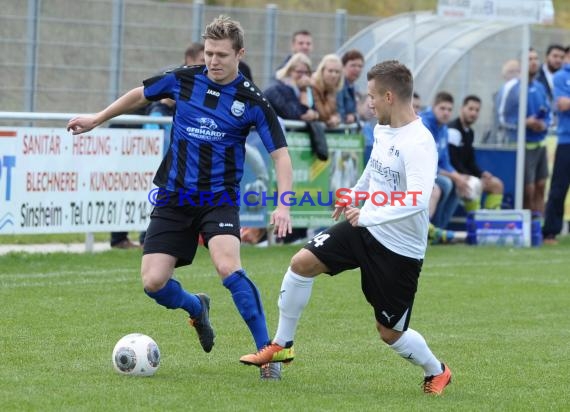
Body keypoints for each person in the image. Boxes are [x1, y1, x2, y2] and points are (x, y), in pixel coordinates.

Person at [67, 15, 293, 380]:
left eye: (221, 54)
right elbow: (141, 93)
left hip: (218, 199)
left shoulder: (253, 101)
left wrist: (283, 205)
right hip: (174, 197)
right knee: (153, 283)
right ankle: (196, 307)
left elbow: (281, 156)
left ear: (240, 54)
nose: (213, 61)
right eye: (209, 53)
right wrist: (99, 117)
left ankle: (268, 356)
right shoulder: (185, 78)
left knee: (227, 266)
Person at [239, 60, 452, 395]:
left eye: (371, 96)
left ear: (389, 96)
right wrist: (355, 193)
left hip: (399, 250)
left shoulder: (419, 143)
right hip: (365, 228)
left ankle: (436, 371)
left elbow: (418, 200)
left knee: (390, 332)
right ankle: (282, 344)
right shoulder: (384, 128)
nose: (367, 102)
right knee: (301, 263)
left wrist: (367, 214)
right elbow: (375, 170)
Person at [496, 48, 551, 214]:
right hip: (521, 146)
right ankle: (527, 226)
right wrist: (525, 123)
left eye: (536, 58)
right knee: (528, 189)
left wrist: (543, 124)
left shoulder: (540, 87)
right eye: (529, 59)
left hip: (540, 144)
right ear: (520, 65)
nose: (534, 62)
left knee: (541, 185)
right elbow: (502, 118)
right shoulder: (511, 88)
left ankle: (538, 228)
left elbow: (549, 114)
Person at [421, 92, 470, 229]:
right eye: (442, 108)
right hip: (419, 173)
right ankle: (429, 228)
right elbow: (425, 163)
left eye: (449, 109)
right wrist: (455, 177)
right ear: (433, 107)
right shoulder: (423, 125)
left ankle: (438, 229)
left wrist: (459, 177)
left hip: (433, 173)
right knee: (447, 183)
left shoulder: (443, 128)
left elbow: (445, 162)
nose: (446, 113)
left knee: (459, 186)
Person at [448, 95, 504, 211]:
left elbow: (470, 161)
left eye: (477, 110)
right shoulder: (453, 130)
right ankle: (476, 221)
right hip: (453, 175)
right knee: (475, 184)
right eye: (470, 109)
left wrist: (481, 173)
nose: (473, 113)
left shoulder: (470, 132)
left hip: (466, 174)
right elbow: (453, 162)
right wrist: (472, 177)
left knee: (497, 184)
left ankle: (490, 221)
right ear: (462, 108)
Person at [543, 46, 570, 245]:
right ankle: (550, 231)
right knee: (559, 187)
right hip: (566, 140)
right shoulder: (562, 76)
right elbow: (562, 104)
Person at [264, 52, 319, 122]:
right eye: (299, 72)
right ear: (290, 71)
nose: (303, 76)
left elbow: (315, 111)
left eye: (306, 72)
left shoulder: (306, 89)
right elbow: (295, 115)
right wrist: (303, 91)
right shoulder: (280, 88)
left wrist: (314, 115)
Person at [311, 54, 343, 129]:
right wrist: (332, 118)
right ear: (322, 71)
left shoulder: (332, 89)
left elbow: (335, 112)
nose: (334, 75)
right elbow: (322, 114)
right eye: (330, 71)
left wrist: (336, 117)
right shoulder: (313, 86)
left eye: (337, 72)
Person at [337, 49, 364, 124]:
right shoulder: (339, 86)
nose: (357, 69)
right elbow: (341, 114)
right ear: (343, 66)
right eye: (353, 65)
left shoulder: (355, 88)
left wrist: (355, 117)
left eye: (360, 66)